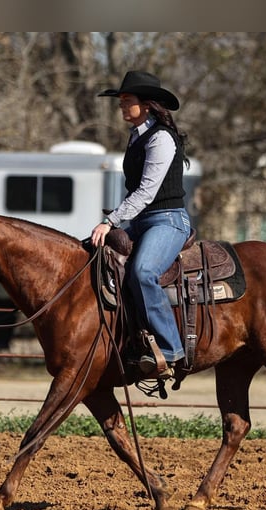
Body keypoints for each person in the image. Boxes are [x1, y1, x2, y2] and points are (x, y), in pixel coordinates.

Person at [91, 70, 191, 377]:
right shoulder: (137, 136)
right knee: (91, 255)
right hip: (144, 221)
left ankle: (172, 349)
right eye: (120, 100)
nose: (121, 106)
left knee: (143, 272)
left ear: (146, 104)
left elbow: (147, 191)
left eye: (127, 100)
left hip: (168, 220)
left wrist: (110, 220)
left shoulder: (160, 138)